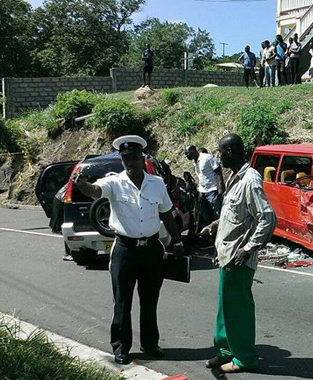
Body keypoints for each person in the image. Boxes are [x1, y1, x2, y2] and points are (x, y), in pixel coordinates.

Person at [72, 135, 185, 365]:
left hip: (152, 249)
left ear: (142, 158)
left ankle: (150, 344)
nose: (130, 163)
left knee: (150, 299)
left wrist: (177, 240)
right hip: (125, 249)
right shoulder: (114, 182)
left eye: (134, 158)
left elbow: (166, 212)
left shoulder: (157, 184)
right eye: (126, 160)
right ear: (122, 161)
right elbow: (95, 191)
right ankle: (121, 347)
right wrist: (83, 185)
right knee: (122, 300)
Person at [201, 133, 276, 374]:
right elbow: (237, 214)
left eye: (221, 151)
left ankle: (245, 358)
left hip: (238, 256)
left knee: (238, 309)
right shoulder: (235, 177)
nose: (218, 155)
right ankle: (225, 350)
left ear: (231, 152)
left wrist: (249, 248)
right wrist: (214, 225)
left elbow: (267, 217)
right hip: (226, 255)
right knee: (225, 307)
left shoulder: (250, 180)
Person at [185, 145, 225, 226]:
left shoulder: (207, 158)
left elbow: (218, 171)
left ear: (193, 151)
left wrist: (221, 187)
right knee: (206, 215)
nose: (186, 156)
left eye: (187, 154)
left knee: (217, 214)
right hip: (203, 191)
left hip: (213, 190)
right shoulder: (195, 161)